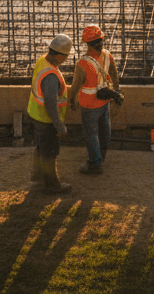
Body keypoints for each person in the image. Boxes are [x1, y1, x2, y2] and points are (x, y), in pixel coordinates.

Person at [67, 25, 121, 176]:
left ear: (87, 44)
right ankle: (100, 156)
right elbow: (115, 77)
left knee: (91, 134)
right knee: (105, 130)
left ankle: (95, 163)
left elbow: (75, 87)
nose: (100, 44)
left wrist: (72, 101)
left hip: (88, 105)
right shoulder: (107, 55)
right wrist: (115, 94)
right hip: (105, 101)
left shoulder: (82, 64)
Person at [27, 33, 73, 195]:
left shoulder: (42, 61)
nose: (65, 59)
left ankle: (37, 175)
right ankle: (52, 185)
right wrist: (59, 126)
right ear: (60, 55)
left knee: (41, 146)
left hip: (36, 114)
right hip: (46, 119)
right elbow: (50, 103)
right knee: (50, 152)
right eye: (66, 56)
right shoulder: (51, 76)